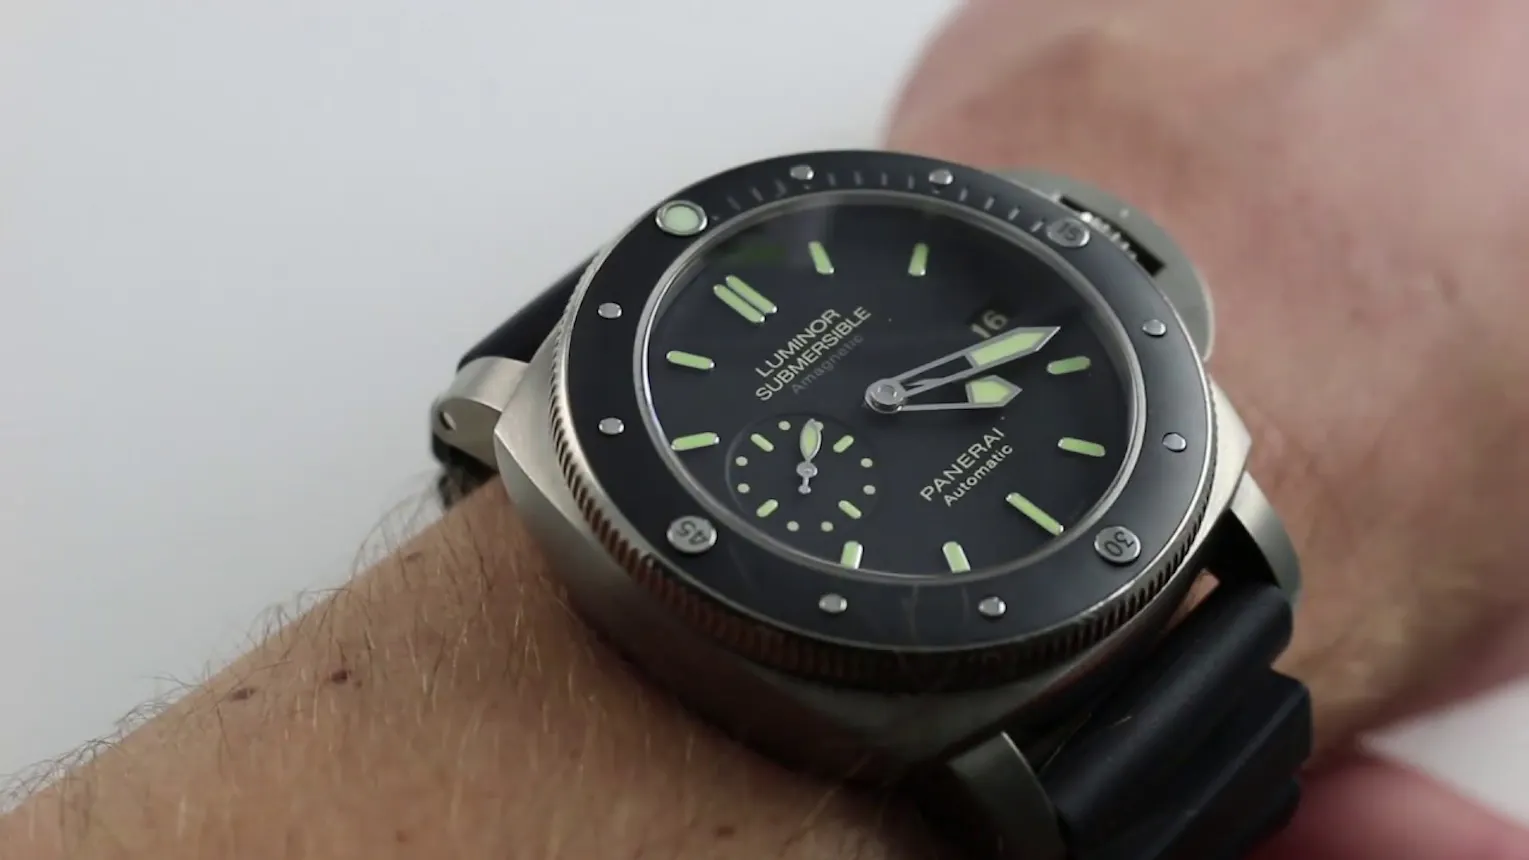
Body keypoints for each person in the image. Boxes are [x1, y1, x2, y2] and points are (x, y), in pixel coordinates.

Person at [4, 1, 1528, 857]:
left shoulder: (1217, 531)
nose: (884, 398)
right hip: (967, 697)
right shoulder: (995, 765)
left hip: (1145, 564)